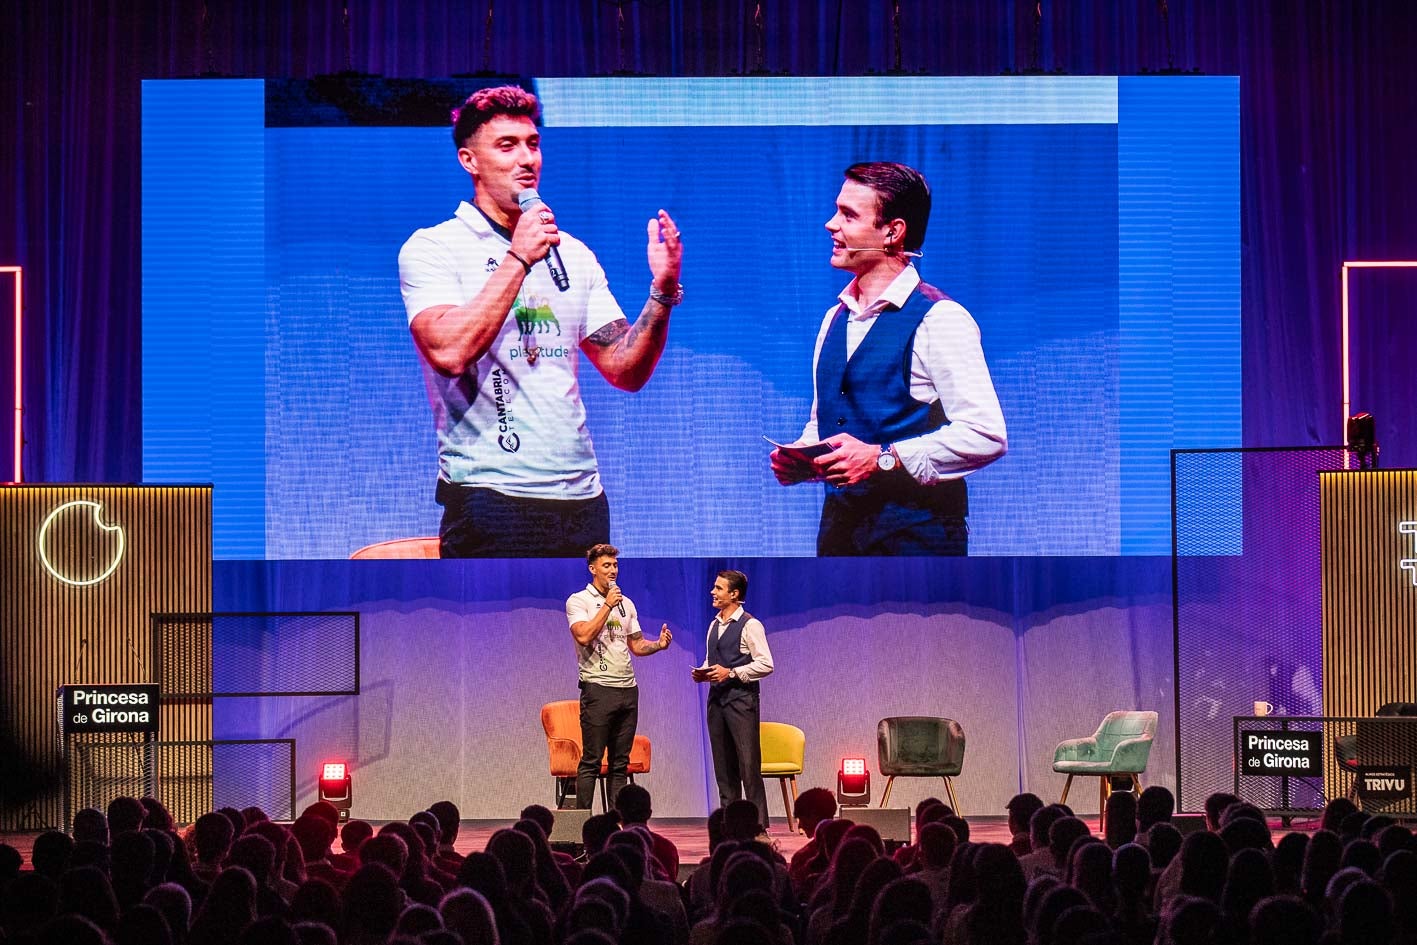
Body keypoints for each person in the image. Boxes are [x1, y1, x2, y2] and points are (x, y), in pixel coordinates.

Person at [399, 85, 684, 557]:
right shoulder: (434, 247)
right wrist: (518, 256)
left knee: (589, 632)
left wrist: (662, 290)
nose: (526, 158)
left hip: (582, 499)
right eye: (506, 145)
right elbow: (448, 352)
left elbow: (624, 368)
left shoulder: (571, 252)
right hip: (489, 496)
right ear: (469, 161)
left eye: (532, 143)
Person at [770, 161, 1006, 556]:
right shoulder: (834, 318)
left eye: (848, 214)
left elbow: (986, 434)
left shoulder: (940, 318)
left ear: (893, 232)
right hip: (839, 540)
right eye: (836, 210)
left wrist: (883, 459)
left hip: (916, 548)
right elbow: (828, 420)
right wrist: (804, 457)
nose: (831, 224)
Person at [566, 544, 672, 808]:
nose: (613, 570)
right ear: (593, 569)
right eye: (606, 565)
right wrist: (606, 606)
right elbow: (583, 635)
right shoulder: (579, 600)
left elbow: (635, 646)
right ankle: (583, 830)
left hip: (628, 690)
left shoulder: (627, 604)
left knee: (619, 764)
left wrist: (658, 644)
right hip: (598, 689)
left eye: (615, 565)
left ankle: (615, 826)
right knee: (591, 761)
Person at [694, 569, 774, 828]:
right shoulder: (714, 624)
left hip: (741, 701)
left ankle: (757, 825)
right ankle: (730, 825)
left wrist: (733, 672)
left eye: (719, 588)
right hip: (717, 701)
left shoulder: (750, 625)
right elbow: (713, 659)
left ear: (734, 593)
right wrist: (704, 672)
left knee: (748, 765)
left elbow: (766, 664)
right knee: (723, 767)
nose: (713, 592)